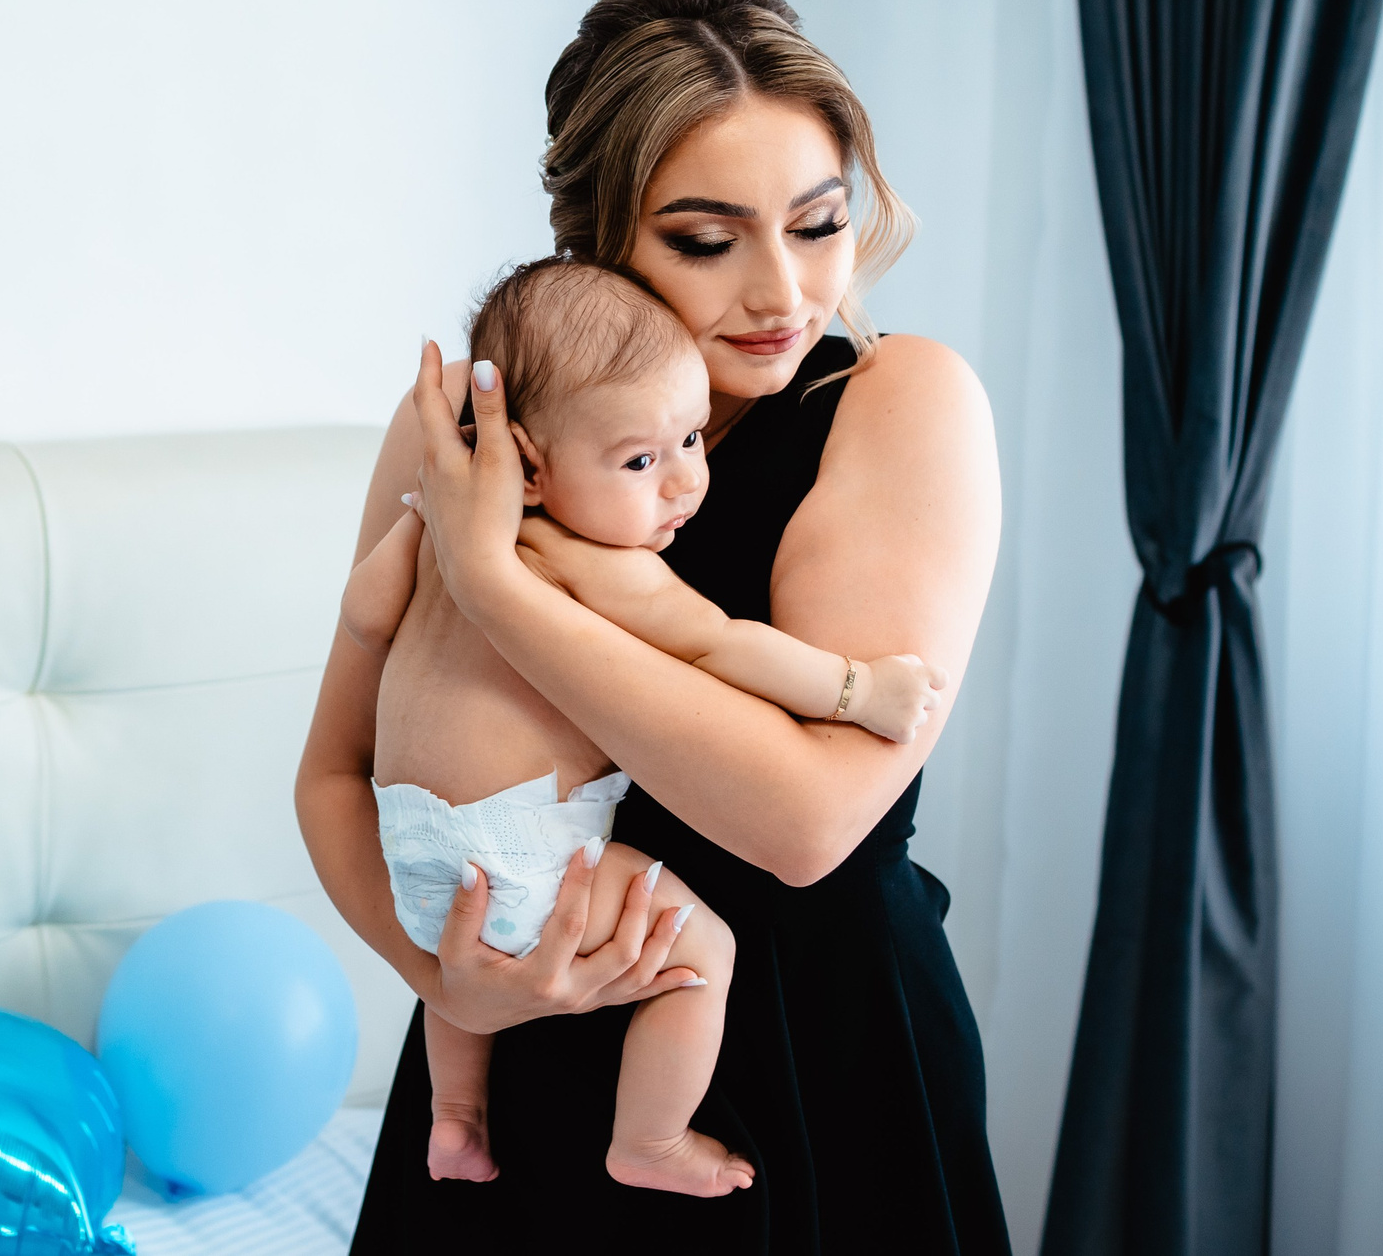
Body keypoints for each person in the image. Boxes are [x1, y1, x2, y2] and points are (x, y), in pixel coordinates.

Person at [297, 0, 1008, 1251]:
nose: (783, 290)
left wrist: (501, 585)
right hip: (522, 1046)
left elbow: (804, 820)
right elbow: (342, 774)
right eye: (705, 237)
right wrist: (449, 979)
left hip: (815, 1049)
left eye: (818, 220)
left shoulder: (901, 405)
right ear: (595, 238)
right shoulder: (466, 429)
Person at [347, 256, 948, 1200]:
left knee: (461, 969)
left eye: (693, 440)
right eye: (640, 460)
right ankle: (651, 1138)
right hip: (528, 853)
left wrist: (430, 544)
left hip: (412, 850)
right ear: (534, 469)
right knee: (703, 956)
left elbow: (364, 614)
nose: (684, 485)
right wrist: (855, 689)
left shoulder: (439, 522)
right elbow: (721, 646)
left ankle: (456, 1113)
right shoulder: (599, 563)